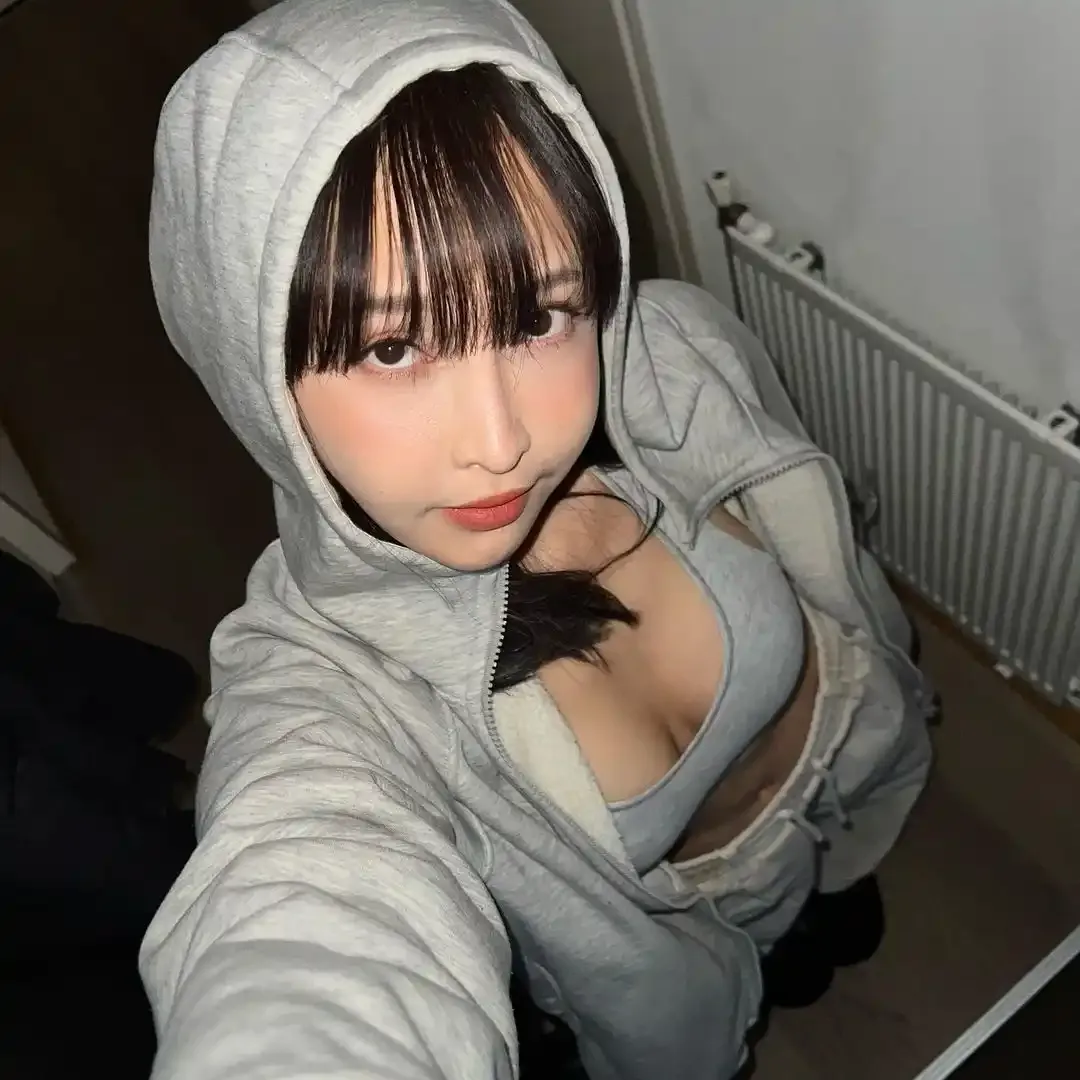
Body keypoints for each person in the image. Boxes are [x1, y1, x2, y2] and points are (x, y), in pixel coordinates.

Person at [141, 1, 936, 1077]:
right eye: (390, 347)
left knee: (845, 925)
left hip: (843, 791)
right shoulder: (328, 681)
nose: (502, 443)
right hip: (701, 936)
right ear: (251, 372)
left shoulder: (679, 355)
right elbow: (307, 921)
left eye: (536, 317)